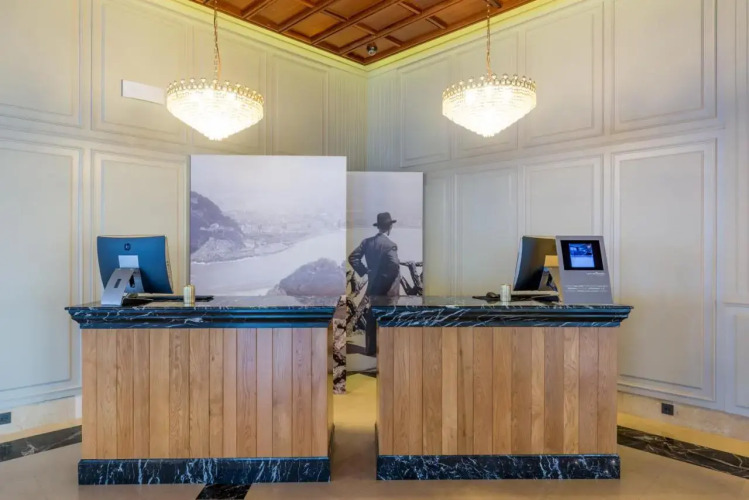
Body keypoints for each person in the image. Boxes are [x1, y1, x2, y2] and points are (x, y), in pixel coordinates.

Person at [348, 212, 401, 355]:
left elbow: (353, 258)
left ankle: (370, 349)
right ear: (390, 227)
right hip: (388, 289)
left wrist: (365, 271)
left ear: (378, 226)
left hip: (373, 286)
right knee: (388, 318)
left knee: (372, 315)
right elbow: (394, 266)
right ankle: (387, 351)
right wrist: (387, 281)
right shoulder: (391, 245)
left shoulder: (367, 242)